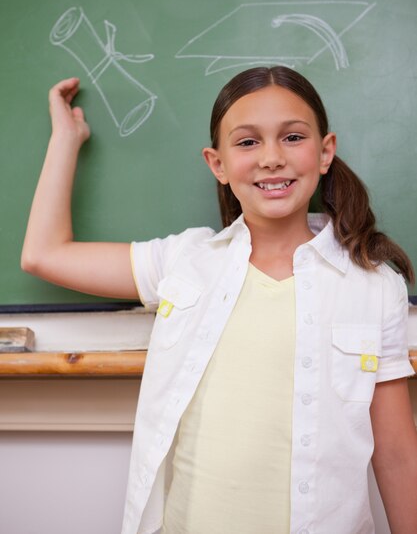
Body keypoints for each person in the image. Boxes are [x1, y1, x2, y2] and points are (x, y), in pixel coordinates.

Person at [22, 67, 417, 534]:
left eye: (292, 137)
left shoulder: (373, 287)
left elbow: (395, 456)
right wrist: (66, 139)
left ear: (325, 151)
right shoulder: (184, 261)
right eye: (247, 142)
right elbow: (44, 255)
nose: (271, 158)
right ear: (218, 164)